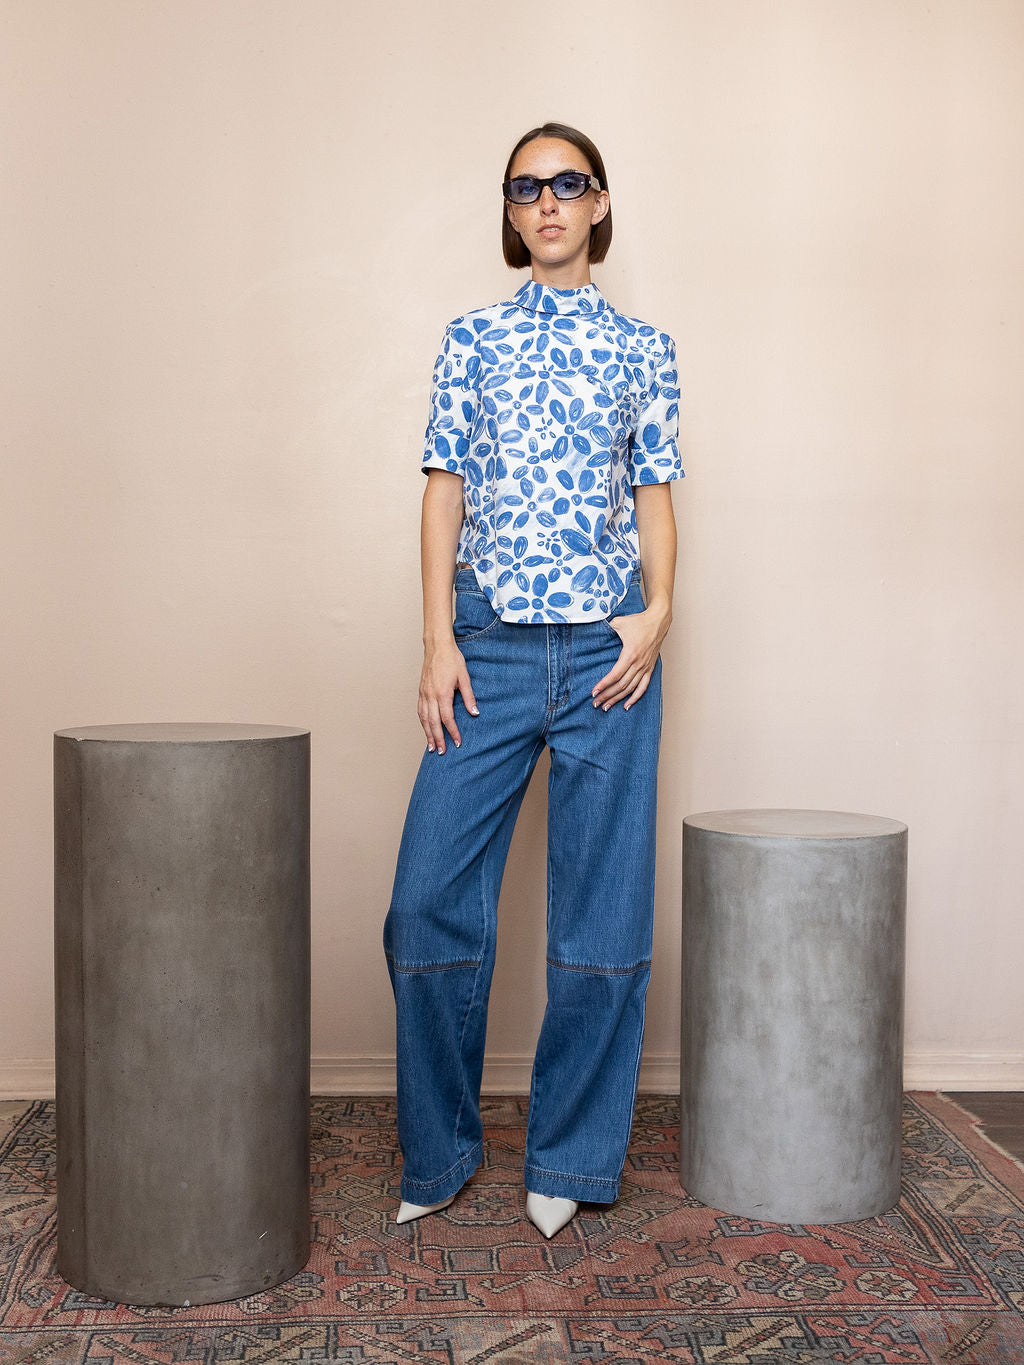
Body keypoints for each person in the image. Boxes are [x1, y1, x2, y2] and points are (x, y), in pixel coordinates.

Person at [383, 121, 683, 1239]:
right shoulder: (471, 339)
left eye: (569, 184)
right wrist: (435, 641)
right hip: (489, 648)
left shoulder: (644, 347)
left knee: (602, 929)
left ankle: (570, 1156)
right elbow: (442, 488)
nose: (548, 201)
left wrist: (657, 614)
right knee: (425, 910)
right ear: (511, 216)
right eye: (526, 187)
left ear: (599, 205)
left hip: (609, 654)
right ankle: (441, 1151)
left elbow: (653, 491)